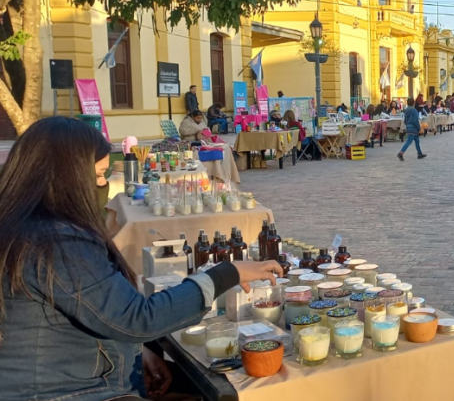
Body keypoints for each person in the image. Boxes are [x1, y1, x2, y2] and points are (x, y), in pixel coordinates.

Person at [0, 117, 284, 401]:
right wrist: (226, 274)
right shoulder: (58, 242)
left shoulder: (24, 229)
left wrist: (137, 351)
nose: (103, 185)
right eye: (99, 175)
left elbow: (97, 310)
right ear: (67, 178)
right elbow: (138, 318)